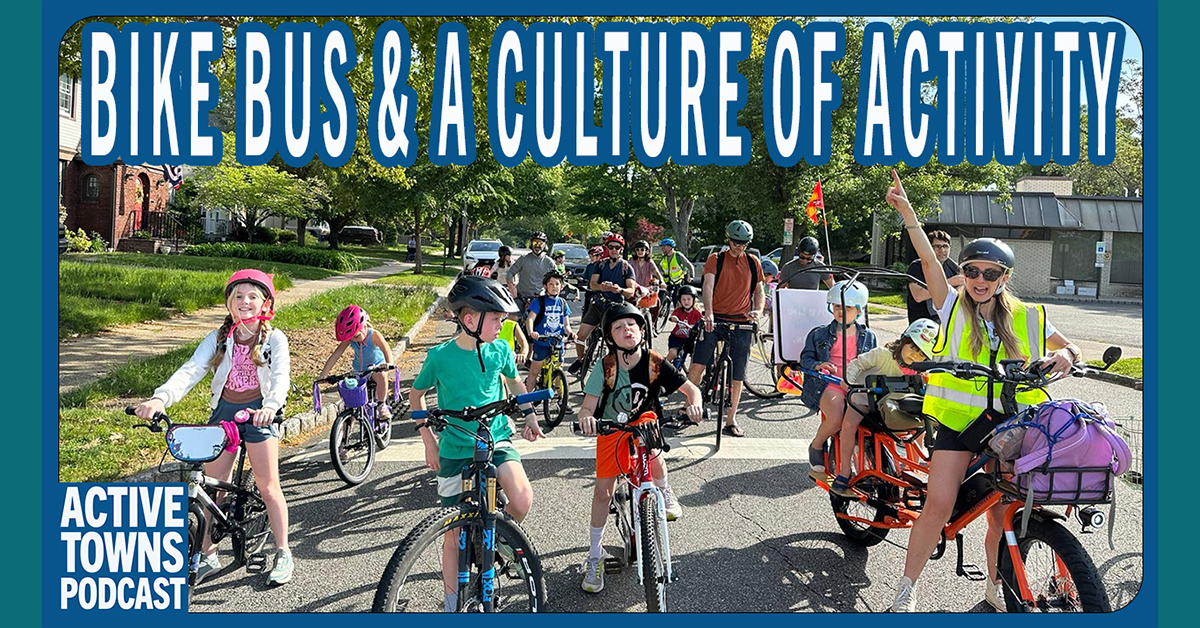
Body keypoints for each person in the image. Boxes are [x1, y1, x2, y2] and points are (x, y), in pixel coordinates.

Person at [885, 169, 1083, 613]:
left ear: (1004, 277)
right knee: (937, 507)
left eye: (989, 273)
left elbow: (1065, 344)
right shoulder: (951, 304)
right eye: (971, 270)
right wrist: (909, 213)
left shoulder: (1028, 316)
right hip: (961, 422)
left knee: (1002, 513)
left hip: (1013, 424)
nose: (979, 278)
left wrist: (1068, 355)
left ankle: (996, 586)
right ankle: (906, 589)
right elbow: (931, 264)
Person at [133, 269, 294, 586]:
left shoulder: (274, 339)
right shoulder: (219, 338)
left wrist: (271, 407)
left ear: (265, 304)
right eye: (238, 296)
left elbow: (280, 378)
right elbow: (191, 370)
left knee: (268, 486)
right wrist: (160, 398)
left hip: (260, 413)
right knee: (210, 486)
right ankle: (207, 554)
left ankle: (283, 551)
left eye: (252, 296)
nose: (244, 301)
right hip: (224, 413)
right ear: (229, 303)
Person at [409, 275, 546, 613]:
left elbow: (514, 383)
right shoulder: (440, 356)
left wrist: (529, 415)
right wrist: (428, 440)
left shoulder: (501, 348)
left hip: (496, 436)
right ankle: (452, 602)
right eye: (497, 318)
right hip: (455, 446)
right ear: (470, 320)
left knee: (522, 497)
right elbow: (416, 394)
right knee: (451, 533)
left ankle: (499, 540)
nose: (503, 324)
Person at [576, 303, 703, 593]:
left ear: (642, 330)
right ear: (610, 337)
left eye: (631, 325)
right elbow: (587, 406)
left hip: (644, 425)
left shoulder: (654, 361)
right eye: (618, 328)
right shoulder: (606, 366)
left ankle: (665, 490)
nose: (626, 330)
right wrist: (587, 419)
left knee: (652, 432)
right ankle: (595, 554)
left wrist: (693, 403)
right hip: (612, 428)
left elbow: (690, 388)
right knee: (602, 492)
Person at [817, 318, 938, 497]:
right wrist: (850, 382)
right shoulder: (883, 355)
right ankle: (844, 471)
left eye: (921, 355)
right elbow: (857, 364)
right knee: (849, 426)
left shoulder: (917, 370)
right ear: (904, 340)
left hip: (890, 403)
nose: (914, 356)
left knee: (918, 428)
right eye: (912, 347)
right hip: (863, 397)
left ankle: (914, 470)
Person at [686, 220, 765, 437]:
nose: (740, 246)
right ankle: (689, 407)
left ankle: (731, 419)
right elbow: (708, 286)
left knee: (738, 373)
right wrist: (708, 312)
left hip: (742, 320)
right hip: (716, 318)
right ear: (728, 239)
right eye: (736, 242)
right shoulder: (716, 259)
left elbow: (759, 290)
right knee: (698, 364)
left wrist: (757, 311)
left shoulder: (753, 261)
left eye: (744, 243)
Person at [799, 280, 877, 488]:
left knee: (875, 419)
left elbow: (874, 364)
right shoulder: (819, 333)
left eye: (848, 307)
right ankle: (816, 445)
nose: (841, 311)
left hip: (856, 385)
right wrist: (819, 365)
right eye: (837, 307)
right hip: (829, 382)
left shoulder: (868, 336)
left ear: (859, 310)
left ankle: (867, 461)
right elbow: (805, 359)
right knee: (835, 418)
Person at [570, 233, 637, 374]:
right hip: (598, 304)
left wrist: (619, 290)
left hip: (615, 308)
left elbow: (631, 291)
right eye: (611, 246)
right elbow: (592, 284)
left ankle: (616, 368)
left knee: (613, 341)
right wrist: (602, 287)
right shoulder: (600, 265)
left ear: (621, 249)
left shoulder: (626, 267)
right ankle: (580, 360)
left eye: (617, 247)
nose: (614, 249)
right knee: (581, 336)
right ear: (606, 248)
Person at [320, 305, 395, 419]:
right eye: (351, 337)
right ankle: (346, 428)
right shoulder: (350, 339)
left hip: (376, 367)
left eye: (356, 336)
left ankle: (381, 405)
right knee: (351, 398)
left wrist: (388, 363)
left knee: (381, 376)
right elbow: (336, 354)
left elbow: (386, 348)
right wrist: (324, 373)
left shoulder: (373, 335)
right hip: (358, 370)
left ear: (364, 326)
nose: (353, 339)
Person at [524, 270, 575, 392]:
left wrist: (571, 333)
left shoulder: (562, 303)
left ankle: (560, 399)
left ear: (561, 287)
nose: (554, 287)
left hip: (557, 342)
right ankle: (526, 402)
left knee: (559, 371)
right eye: (551, 284)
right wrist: (532, 332)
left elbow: (566, 325)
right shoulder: (539, 302)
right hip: (542, 342)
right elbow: (530, 319)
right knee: (534, 372)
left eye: (557, 284)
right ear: (545, 286)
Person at [906, 229, 965, 324]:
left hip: (947, 322)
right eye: (937, 246)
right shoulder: (917, 266)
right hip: (923, 324)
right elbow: (918, 296)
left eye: (945, 246)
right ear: (929, 248)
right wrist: (949, 282)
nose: (942, 250)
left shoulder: (953, 267)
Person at [507, 232, 558, 313]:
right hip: (522, 297)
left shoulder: (549, 262)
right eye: (535, 242)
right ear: (531, 244)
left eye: (540, 243)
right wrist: (511, 286)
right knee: (513, 318)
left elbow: (557, 279)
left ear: (544, 245)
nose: (537, 245)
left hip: (541, 298)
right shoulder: (523, 259)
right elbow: (510, 273)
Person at [665, 285, 703, 365]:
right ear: (680, 300)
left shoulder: (696, 313)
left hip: (690, 339)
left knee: (696, 356)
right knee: (672, 353)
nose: (686, 302)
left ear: (694, 300)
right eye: (683, 299)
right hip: (676, 337)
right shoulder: (679, 310)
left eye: (689, 299)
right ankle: (663, 367)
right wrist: (674, 318)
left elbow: (701, 320)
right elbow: (673, 315)